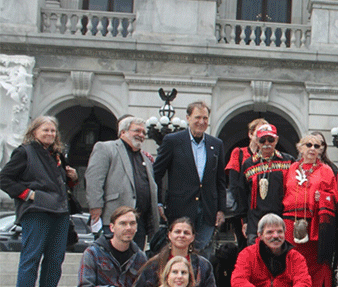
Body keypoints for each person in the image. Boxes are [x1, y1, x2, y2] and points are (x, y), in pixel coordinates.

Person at [0, 115, 78, 287]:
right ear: (34, 131)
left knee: (55, 260)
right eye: (45, 130)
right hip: (36, 211)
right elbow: (4, 179)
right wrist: (28, 195)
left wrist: (72, 179)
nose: (50, 134)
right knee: (31, 257)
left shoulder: (57, 155)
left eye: (53, 131)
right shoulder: (24, 152)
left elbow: (59, 184)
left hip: (60, 212)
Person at [153, 101, 226, 252]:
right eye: (197, 117)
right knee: (179, 251)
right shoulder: (173, 141)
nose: (201, 122)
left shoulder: (216, 144)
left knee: (202, 252)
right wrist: (158, 203)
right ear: (188, 118)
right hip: (180, 208)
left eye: (205, 118)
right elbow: (156, 174)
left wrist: (221, 209)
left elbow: (220, 180)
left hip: (207, 210)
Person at [283, 132, 338, 287]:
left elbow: (334, 195)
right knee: (291, 260)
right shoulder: (291, 168)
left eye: (316, 146)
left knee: (315, 263)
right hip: (291, 221)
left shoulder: (326, 170)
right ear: (300, 148)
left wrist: (322, 196)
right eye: (308, 145)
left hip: (314, 222)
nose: (312, 149)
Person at [86, 116, 158, 249]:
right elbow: (94, 180)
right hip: (114, 219)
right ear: (123, 132)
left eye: (143, 132)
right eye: (137, 131)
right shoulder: (106, 148)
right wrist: (95, 207)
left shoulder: (146, 159)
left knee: (135, 263)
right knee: (111, 260)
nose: (141, 135)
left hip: (139, 222)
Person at [133, 217, 221, 287]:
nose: (181, 235)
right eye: (177, 232)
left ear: (192, 237)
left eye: (186, 233)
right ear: (169, 235)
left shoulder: (203, 265)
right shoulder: (155, 264)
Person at [234, 124, 294, 243]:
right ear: (256, 141)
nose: (267, 143)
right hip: (255, 222)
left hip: (281, 219)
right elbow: (242, 194)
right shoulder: (248, 164)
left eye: (270, 139)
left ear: (276, 140)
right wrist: (244, 221)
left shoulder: (288, 161)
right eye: (262, 140)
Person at [224, 118, 266, 248]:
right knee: (244, 246)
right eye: (259, 132)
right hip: (243, 207)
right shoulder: (239, 152)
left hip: (261, 207)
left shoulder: (267, 157)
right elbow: (234, 183)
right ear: (250, 134)